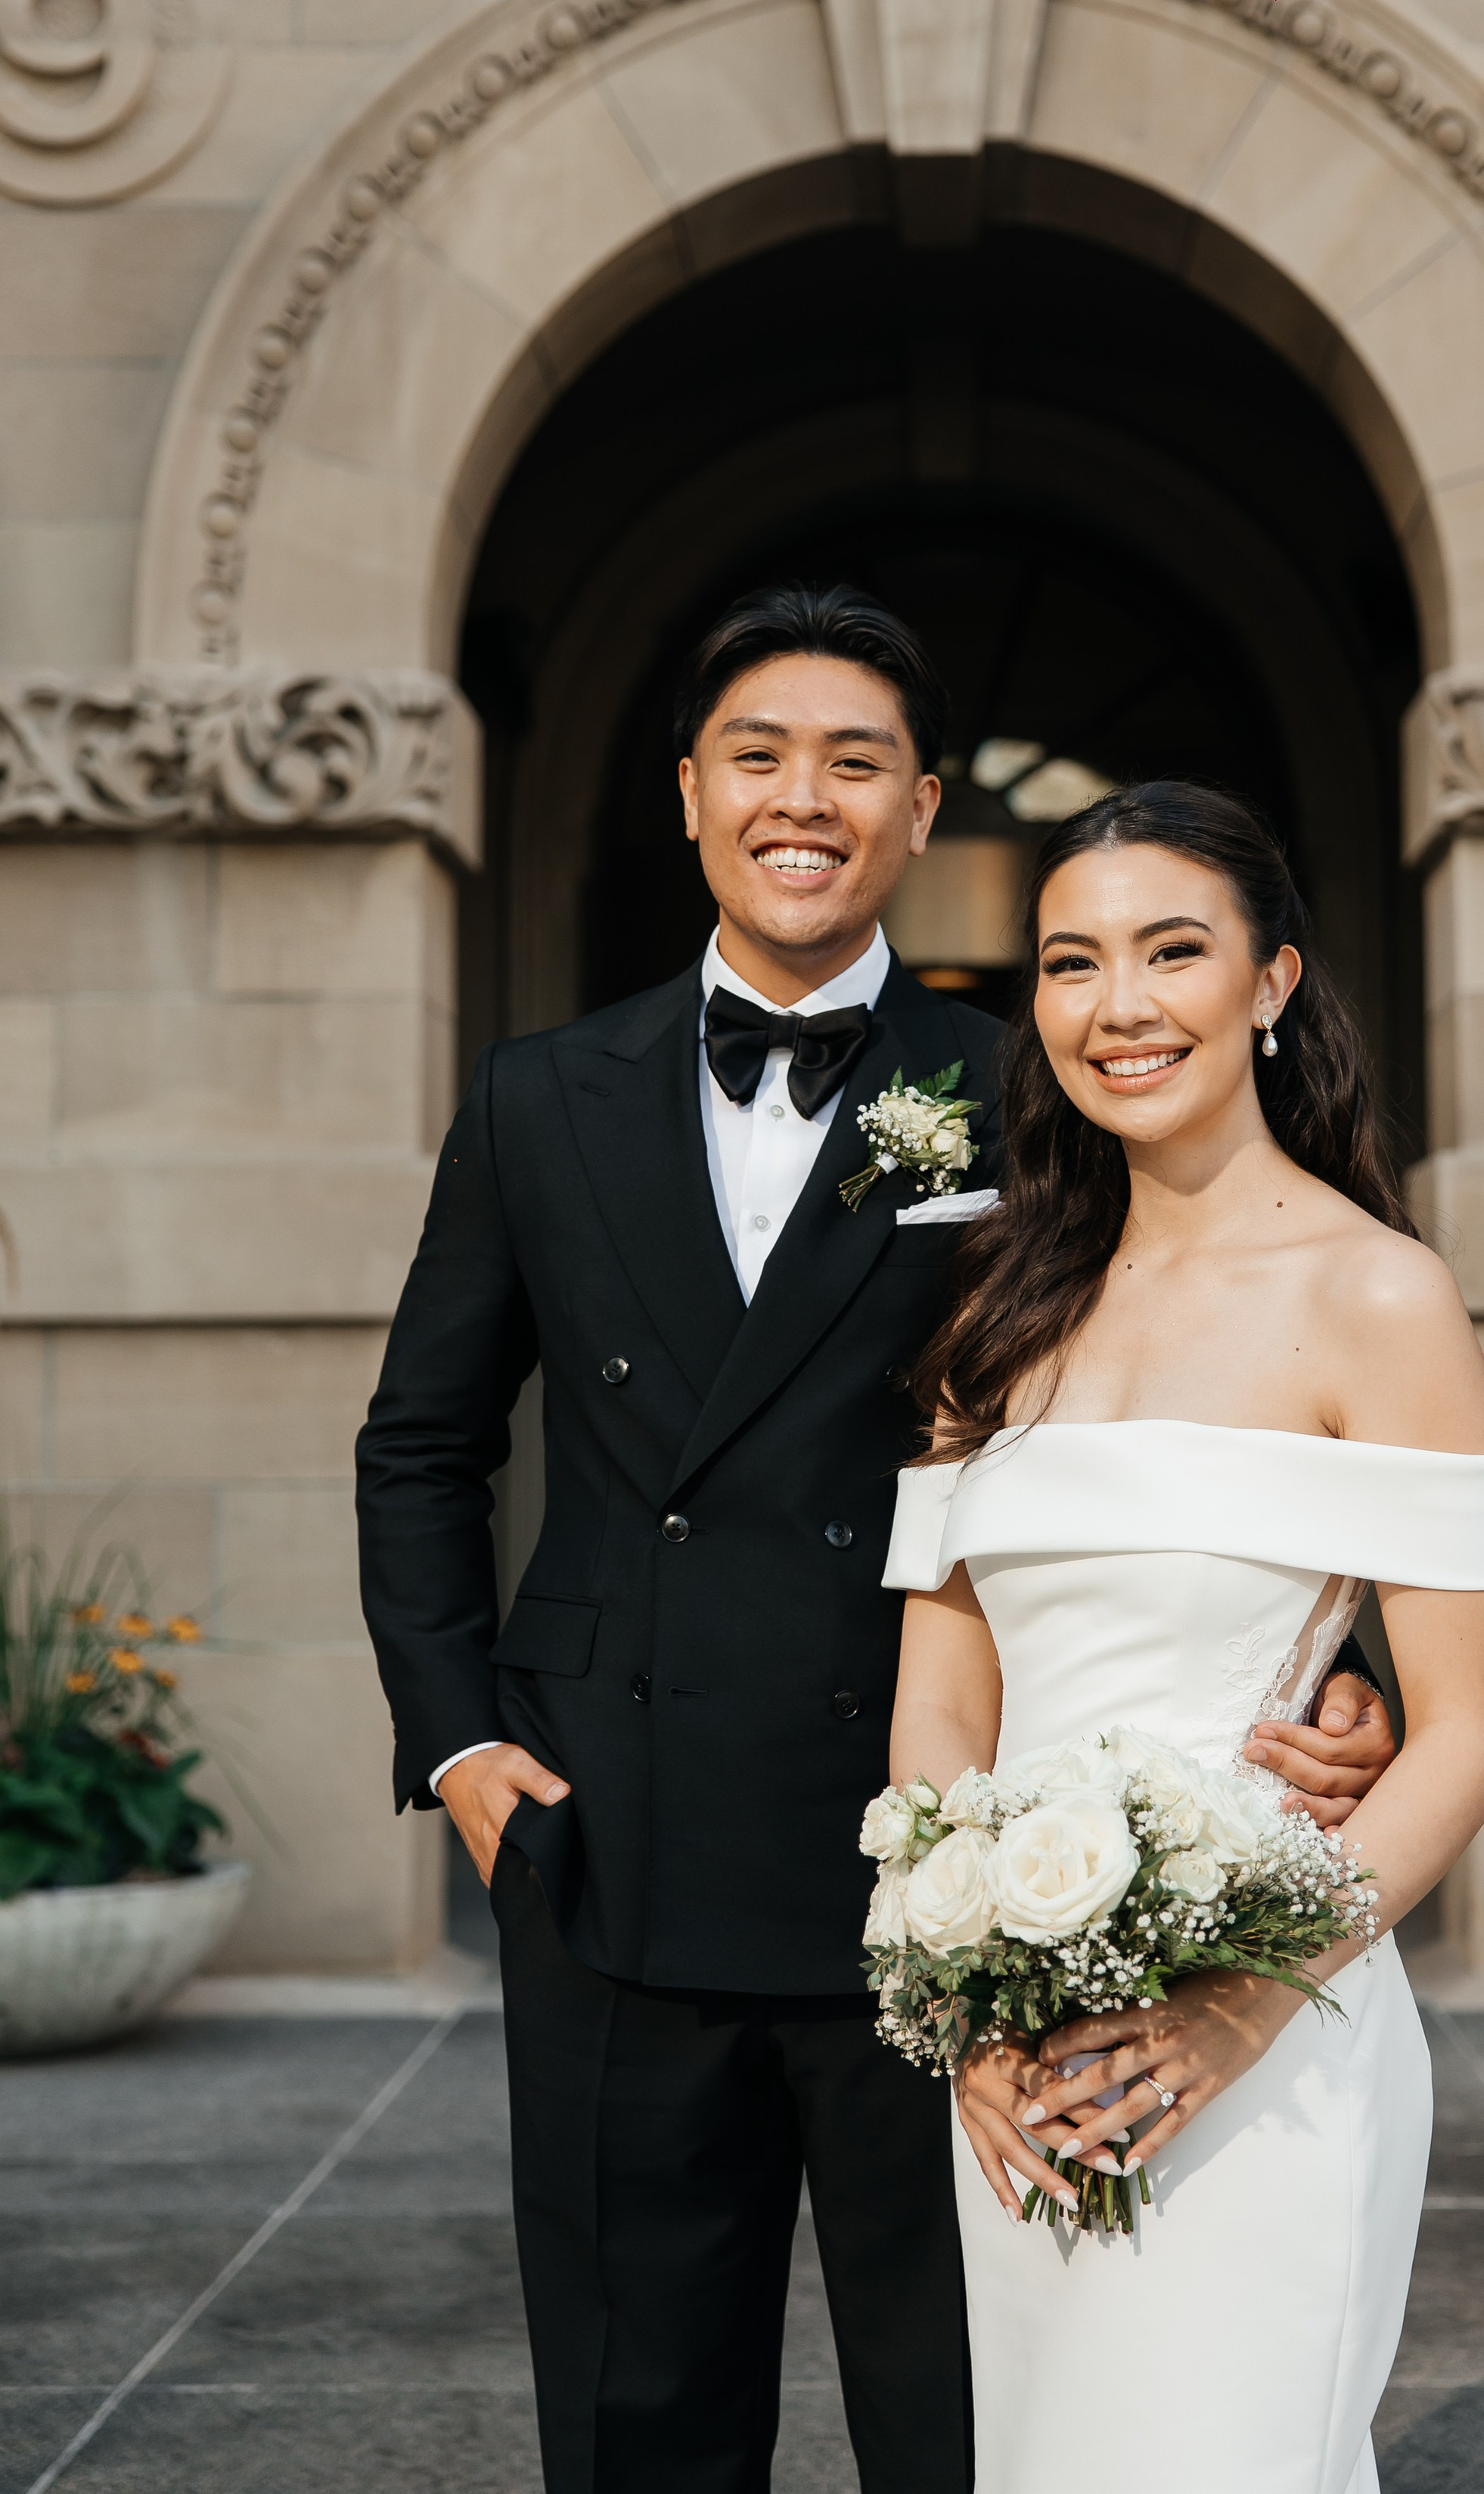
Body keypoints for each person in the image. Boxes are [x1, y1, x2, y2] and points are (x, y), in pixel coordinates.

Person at [355, 591, 1400, 2494]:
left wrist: (1341, 1667)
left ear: (923, 813)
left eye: (856, 764)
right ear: (689, 795)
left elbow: (1217, 1382)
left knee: (968, 2421)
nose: (801, 799)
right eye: (758, 755)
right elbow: (418, 1445)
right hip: (609, 1835)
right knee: (635, 2419)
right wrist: (454, 1742)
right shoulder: (533, 1095)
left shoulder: (1030, 1075)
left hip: (950, 1856)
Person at [883, 780, 1484, 2494]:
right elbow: (940, 1704)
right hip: (1019, 2053)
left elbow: (1462, 1731)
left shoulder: (1378, 1296)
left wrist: (1235, 2008)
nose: (1118, 1006)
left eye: (1173, 951)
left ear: (1270, 983)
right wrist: (971, 2007)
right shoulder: (992, 1304)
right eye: (1071, 962)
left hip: (1265, 2049)